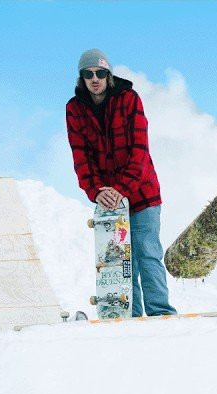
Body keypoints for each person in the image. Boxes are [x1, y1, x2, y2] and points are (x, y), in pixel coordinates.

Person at [66, 48, 176, 317]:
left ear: (109, 75)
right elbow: (81, 157)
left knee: (147, 253)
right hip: (109, 200)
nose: (95, 79)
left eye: (100, 73)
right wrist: (96, 191)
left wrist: (121, 189)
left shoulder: (129, 99)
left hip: (142, 192)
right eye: (88, 74)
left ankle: (161, 313)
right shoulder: (74, 109)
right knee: (122, 262)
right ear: (82, 77)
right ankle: (131, 316)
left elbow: (140, 151)